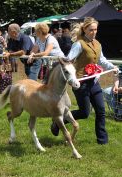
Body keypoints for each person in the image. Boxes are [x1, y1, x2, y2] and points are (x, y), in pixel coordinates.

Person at [51, 17, 118, 145]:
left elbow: (101, 60)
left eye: (95, 30)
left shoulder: (97, 44)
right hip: (81, 82)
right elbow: (69, 59)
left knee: (101, 111)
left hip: (93, 81)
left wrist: (112, 67)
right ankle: (58, 121)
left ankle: (102, 141)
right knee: (84, 113)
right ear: (85, 30)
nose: (94, 32)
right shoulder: (79, 44)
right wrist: (66, 66)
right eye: (91, 30)